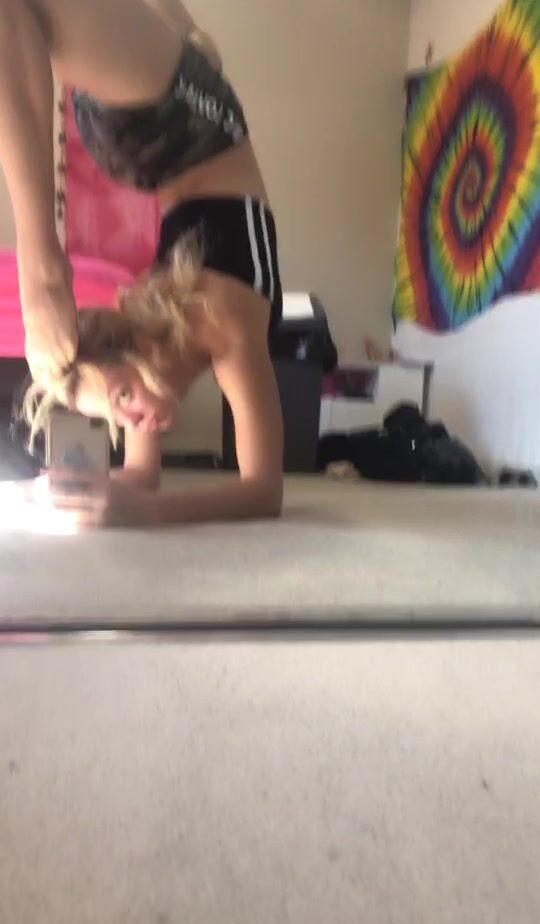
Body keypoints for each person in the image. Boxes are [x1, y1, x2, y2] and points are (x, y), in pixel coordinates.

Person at [1, 0, 284, 527]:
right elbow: (260, 489)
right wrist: (75, 493)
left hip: (169, 131)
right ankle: (193, 38)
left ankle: (40, 264)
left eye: (121, 401)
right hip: (189, 123)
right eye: (118, 411)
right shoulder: (225, 331)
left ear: (135, 350)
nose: (132, 418)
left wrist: (141, 508)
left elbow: (256, 493)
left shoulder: (154, 332)